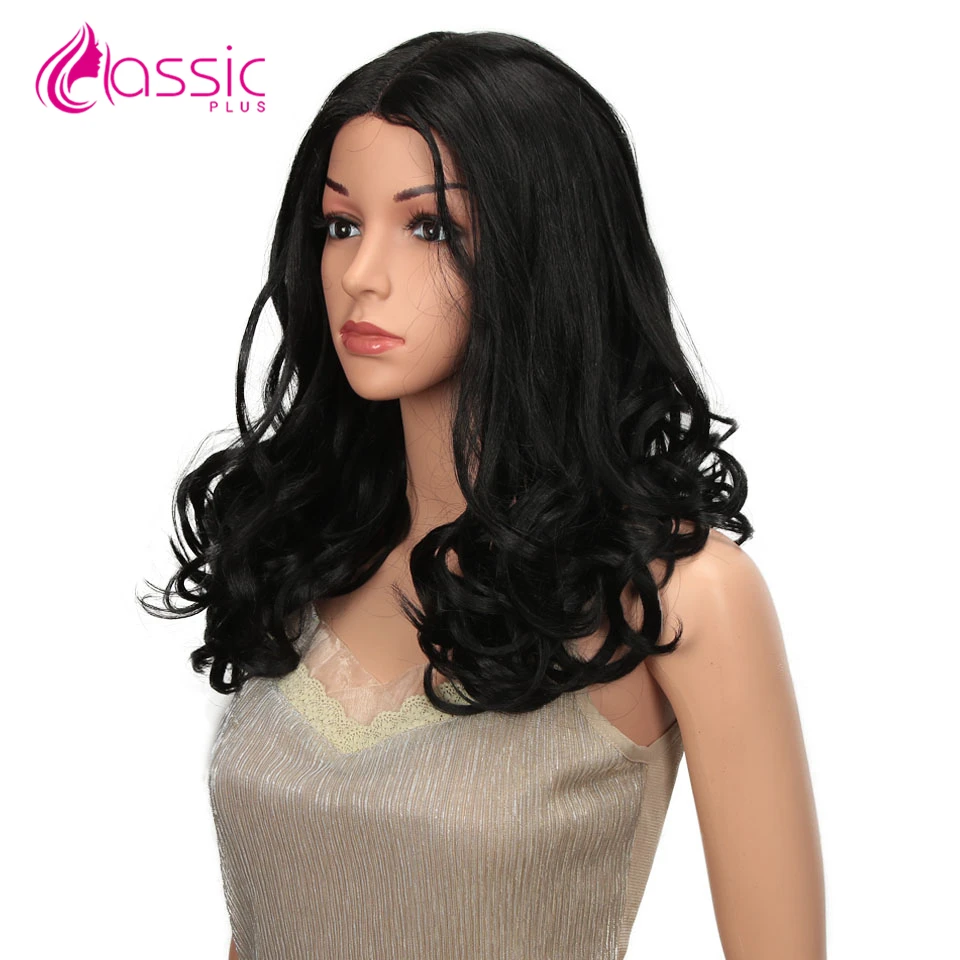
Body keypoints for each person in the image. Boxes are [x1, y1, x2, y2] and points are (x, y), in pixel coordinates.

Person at [140, 29, 825, 960]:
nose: (359, 275)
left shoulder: (679, 595)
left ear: (543, 247)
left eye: (428, 228)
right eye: (341, 225)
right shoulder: (300, 550)